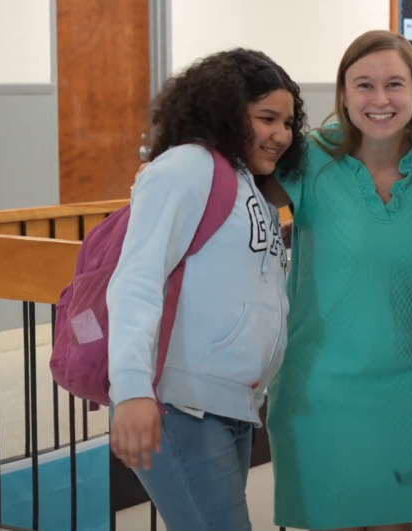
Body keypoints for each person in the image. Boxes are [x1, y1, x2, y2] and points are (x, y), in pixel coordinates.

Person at [259, 30, 412, 531]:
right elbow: (225, 199)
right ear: (343, 94)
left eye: (394, 84)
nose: (379, 100)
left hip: (404, 387)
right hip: (319, 389)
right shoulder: (306, 159)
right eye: (363, 85)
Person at [106, 49, 306, 531]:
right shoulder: (187, 167)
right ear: (224, 110)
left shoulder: (244, 182)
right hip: (180, 403)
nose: (281, 134)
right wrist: (132, 390)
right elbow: (136, 279)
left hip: (230, 405)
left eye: (287, 121)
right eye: (266, 118)